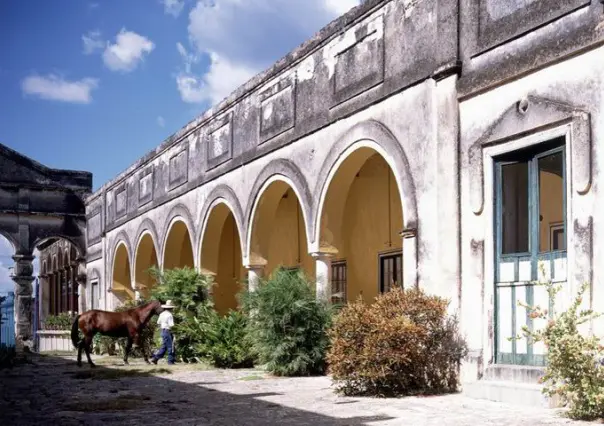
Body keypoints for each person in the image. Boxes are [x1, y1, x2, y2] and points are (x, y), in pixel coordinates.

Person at [151, 300, 176, 365]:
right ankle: (170, 361)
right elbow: (171, 325)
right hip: (168, 331)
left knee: (164, 346)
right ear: (171, 308)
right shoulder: (170, 315)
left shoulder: (162, 314)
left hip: (163, 331)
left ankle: (155, 358)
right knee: (170, 346)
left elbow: (158, 322)